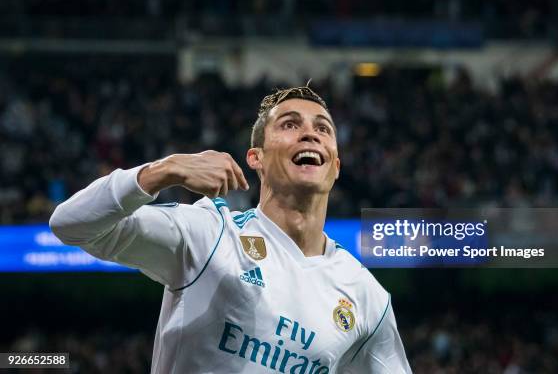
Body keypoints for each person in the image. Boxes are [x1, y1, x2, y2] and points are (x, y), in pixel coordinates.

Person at [49, 86, 411, 373]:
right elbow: (70, 224)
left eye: (322, 128)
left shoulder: (365, 296)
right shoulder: (211, 233)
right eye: (289, 124)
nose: (309, 134)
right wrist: (165, 170)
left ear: (335, 165)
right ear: (257, 158)